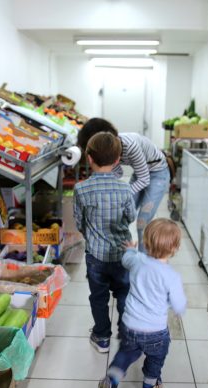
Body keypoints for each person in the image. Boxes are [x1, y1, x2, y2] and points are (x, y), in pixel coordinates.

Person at [98, 218, 187, 388]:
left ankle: (112, 378)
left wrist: (130, 249)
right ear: (175, 248)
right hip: (156, 331)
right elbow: (179, 305)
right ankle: (149, 387)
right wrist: (176, 307)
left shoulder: (137, 261)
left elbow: (126, 258)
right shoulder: (171, 276)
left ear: (145, 243)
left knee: (126, 353)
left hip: (130, 324)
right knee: (156, 358)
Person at [74, 132, 137, 353]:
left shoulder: (81, 189)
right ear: (118, 159)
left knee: (98, 298)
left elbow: (79, 221)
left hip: (96, 257)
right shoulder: (125, 188)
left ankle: (102, 337)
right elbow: (130, 217)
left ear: (88, 158)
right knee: (124, 294)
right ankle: (126, 333)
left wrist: (92, 234)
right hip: (123, 255)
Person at [77, 118, 170, 252]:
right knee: (120, 215)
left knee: (142, 222)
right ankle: (121, 254)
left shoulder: (130, 146)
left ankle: (143, 263)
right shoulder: (109, 149)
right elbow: (118, 172)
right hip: (140, 172)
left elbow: (144, 179)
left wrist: (121, 193)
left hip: (157, 174)